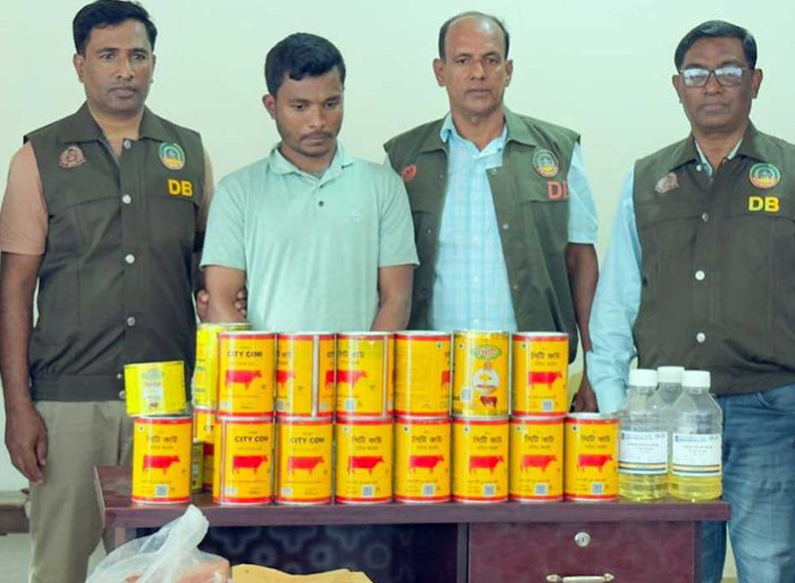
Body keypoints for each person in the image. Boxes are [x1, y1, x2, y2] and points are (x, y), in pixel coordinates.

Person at [0, 1, 213, 581]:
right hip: (69, 405)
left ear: (153, 63)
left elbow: (209, 281)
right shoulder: (38, 156)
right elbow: (14, 293)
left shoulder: (188, 153)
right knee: (60, 568)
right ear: (79, 64)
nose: (124, 70)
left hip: (167, 404)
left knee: (166, 567)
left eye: (137, 56)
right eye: (108, 56)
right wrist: (18, 408)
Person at [587, 20, 795, 583]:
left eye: (728, 70)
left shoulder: (790, 174)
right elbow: (617, 300)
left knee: (770, 565)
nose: (713, 84)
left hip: (770, 410)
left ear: (755, 81)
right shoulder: (646, 180)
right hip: (664, 415)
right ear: (678, 87)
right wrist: (616, 405)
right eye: (697, 73)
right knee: (673, 567)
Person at [384, 12, 599, 408]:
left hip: (535, 372)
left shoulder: (558, 151)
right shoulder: (403, 159)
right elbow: (385, 276)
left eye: (491, 59)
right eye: (463, 60)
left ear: (508, 70)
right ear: (440, 72)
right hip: (429, 374)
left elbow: (581, 261)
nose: (478, 73)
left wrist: (594, 368)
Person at [202, 33, 418, 332]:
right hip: (266, 363)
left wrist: (362, 362)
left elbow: (397, 300)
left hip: (362, 362)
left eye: (331, 103)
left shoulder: (384, 186)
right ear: (271, 106)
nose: (318, 121)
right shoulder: (237, 191)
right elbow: (221, 302)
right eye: (300, 107)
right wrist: (267, 362)